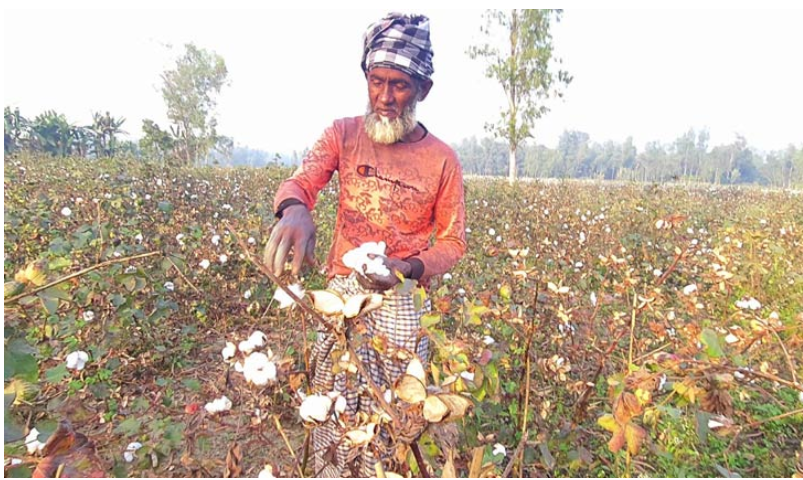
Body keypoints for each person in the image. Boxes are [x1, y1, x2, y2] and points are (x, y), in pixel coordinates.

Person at [264, 12, 466, 477]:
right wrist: (294, 209)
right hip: (341, 297)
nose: (385, 97)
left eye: (399, 85)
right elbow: (301, 182)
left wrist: (406, 268)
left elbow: (454, 243)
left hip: (402, 301)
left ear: (423, 90)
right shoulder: (343, 134)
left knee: (393, 412)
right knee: (333, 403)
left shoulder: (442, 160)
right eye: (377, 82)